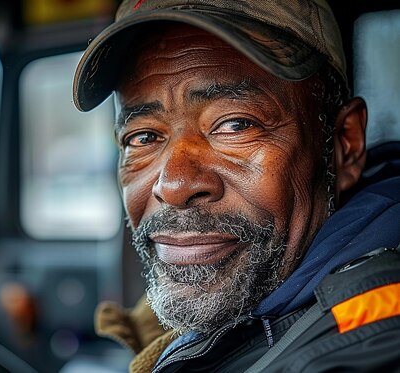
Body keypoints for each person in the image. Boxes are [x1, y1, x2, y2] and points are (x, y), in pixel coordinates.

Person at [72, 1, 400, 372]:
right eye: (143, 136)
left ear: (344, 143)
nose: (174, 184)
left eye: (235, 125)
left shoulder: (373, 344)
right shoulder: (227, 308)